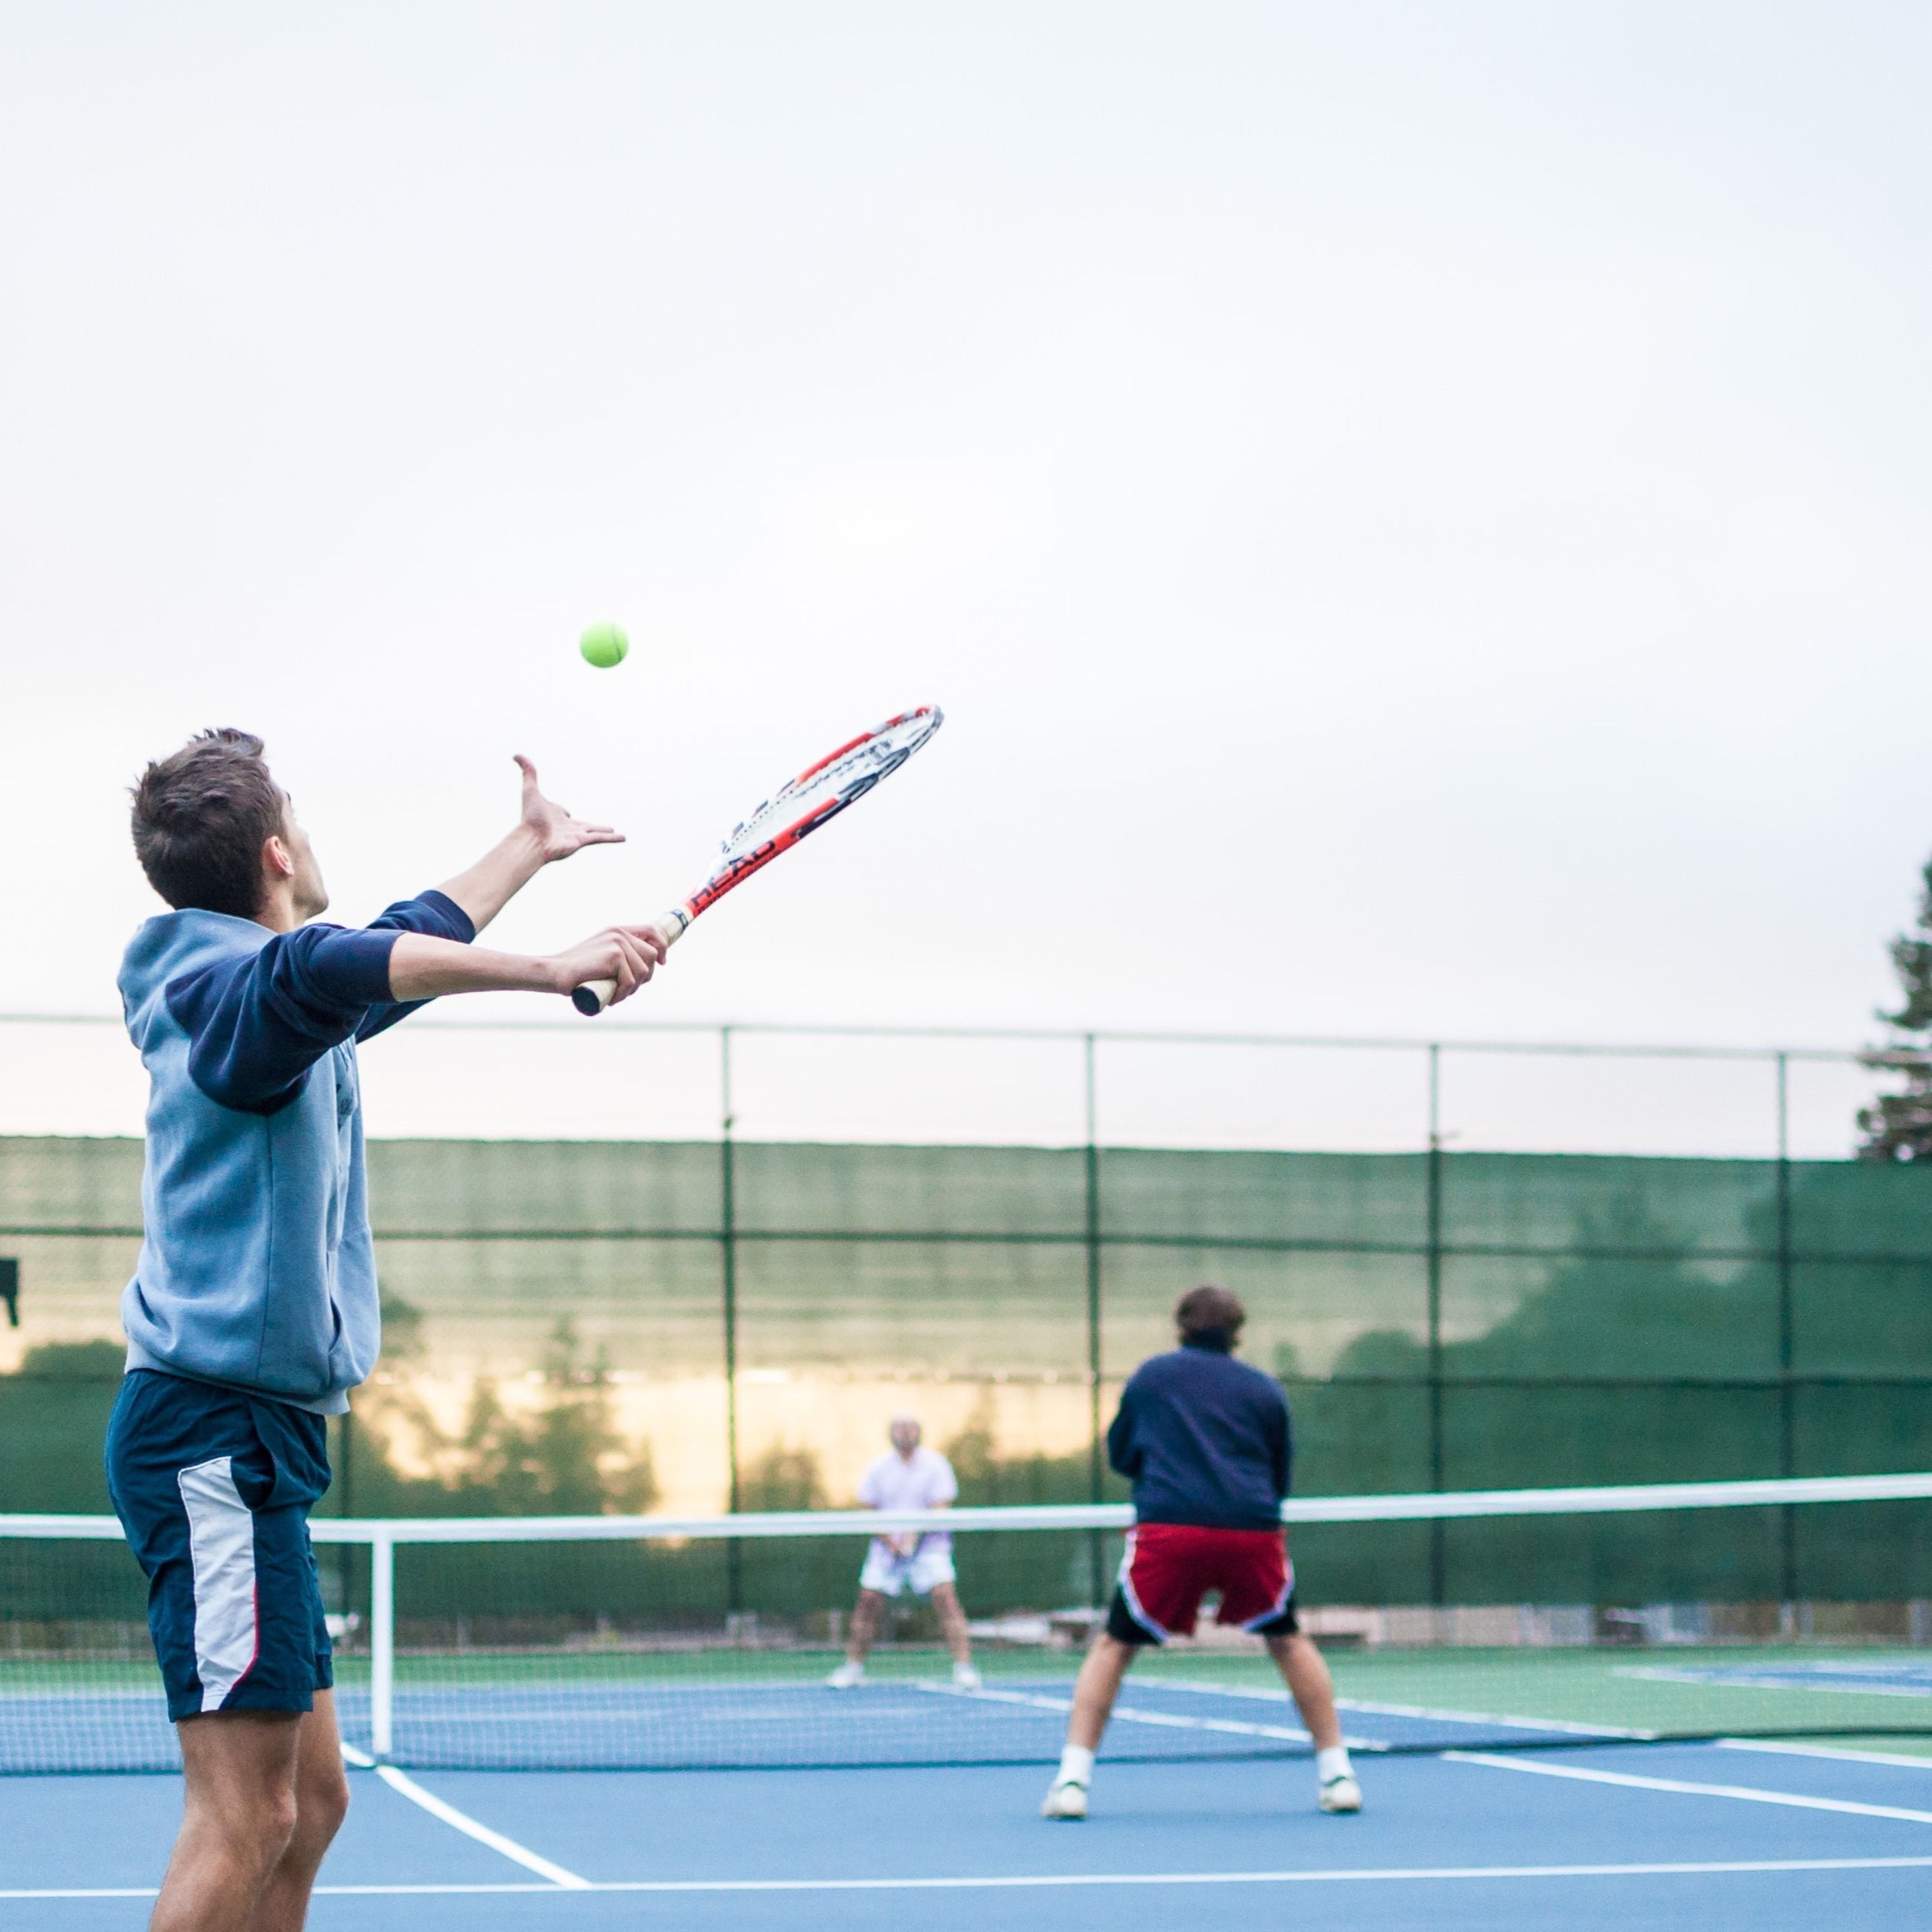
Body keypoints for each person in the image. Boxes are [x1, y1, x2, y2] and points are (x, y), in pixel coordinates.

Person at [106, 729, 666, 1932]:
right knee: (245, 1816)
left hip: (255, 1439)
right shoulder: (235, 997)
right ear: (276, 854)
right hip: (211, 1438)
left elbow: (390, 946)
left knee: (312, 1802)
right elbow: (335, 962)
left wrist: (527, 848)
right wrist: (552, 968)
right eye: (300, 823)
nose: (312, 841)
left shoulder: (259, 1000)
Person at [1041, 1285, 1361, 1821]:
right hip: (1251, 1530)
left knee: (1114, 1646)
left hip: (1171, 1530)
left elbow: (1122, 1453)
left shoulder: (1151, 1378)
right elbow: (1279, 1473)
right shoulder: (1264, 1389)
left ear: (1181, 1326)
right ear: (1238, 1331)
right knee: (1288, 1640)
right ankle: (1339, 1775)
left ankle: (1071, 1782)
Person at [827, 1414, 980, 1690]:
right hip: (886, 1549)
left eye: (910, 1428)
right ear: (891, 1433)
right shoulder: (878, 1467)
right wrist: (892, 1542)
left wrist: (913, 1537)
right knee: (868, 1601)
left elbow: (940, 1507)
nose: (905, 1433)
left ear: (919, 1432)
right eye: (900, 1428)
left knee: (945, 1598)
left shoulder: (936, 1465)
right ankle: (853, 1668)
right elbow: (869, 1510)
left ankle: (964, 1668)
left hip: (930, 1547)